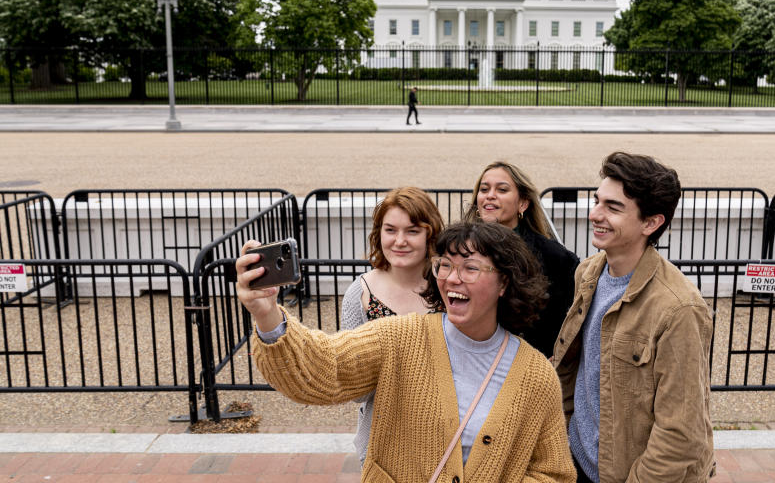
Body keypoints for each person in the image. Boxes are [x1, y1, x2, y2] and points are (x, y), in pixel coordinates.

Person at [237, 221, 576, 483]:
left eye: (471, 268)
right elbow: (325, 366)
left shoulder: (535, 375)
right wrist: (267, 315)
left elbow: (553, 471)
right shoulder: (401, 339)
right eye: (444, 265)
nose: (452, 278)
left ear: (504, 282)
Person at [552, 152, 714, 483]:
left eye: (613, 208)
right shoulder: (587, 273)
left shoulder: (679, 308)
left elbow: (681, 433)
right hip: (578, 462)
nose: (595, 214)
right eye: (597, 201)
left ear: (651, 223)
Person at [338, 186, 444, 462]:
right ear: (378, 233)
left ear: (430, 233)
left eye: (412, 231)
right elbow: (356, 391)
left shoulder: (449, 288)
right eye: (390, 230)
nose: (400, 241)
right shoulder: (359, 294)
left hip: (446, 437)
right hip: (383, 442)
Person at [465, 161, 578, 357]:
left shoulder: (554, 256)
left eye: (502, 189)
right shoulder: (461, 249)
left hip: (530, 363)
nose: (490, 195)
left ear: (523, 203)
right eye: (484, 189)